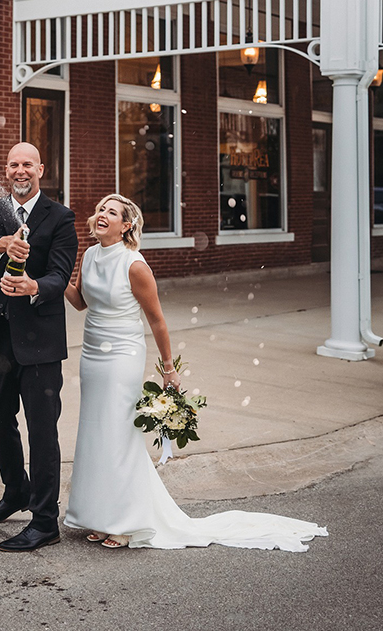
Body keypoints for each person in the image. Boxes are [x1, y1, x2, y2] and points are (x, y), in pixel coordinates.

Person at [63, 194, 327, 551]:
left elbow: (156, 320)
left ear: (127, 226)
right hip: (92, 355)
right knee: (96, 432)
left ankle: (125, 521)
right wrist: (55, 275)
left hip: (122, 356)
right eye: (100, 211)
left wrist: (168, 369)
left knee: (119, 434)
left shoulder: (134, 265)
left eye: (112, 212)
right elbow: (80, 301)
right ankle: (99, 514)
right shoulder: (90, 255)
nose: (102, 215)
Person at [0, 142, 78, 552]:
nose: (20, 170)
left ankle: (45, 521)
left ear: (40, 170)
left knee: (42, 430)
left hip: (40, 343)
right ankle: (16, 491)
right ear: (7, 170)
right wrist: (2, 245)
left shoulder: (60, 217)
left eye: (27, 164)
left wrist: (34, 286)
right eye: (13, 164)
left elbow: (61, 273)